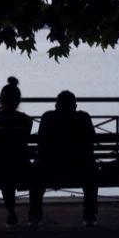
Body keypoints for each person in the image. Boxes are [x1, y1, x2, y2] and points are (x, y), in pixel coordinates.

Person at [29, 90, 98, 227]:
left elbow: (40, 145)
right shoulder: (83, 117)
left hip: (49, 168)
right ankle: (89, 215)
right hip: (80, 168)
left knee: (36, 173)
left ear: (56, 106)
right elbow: (91, 142)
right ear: (75, 106)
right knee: (91, 171)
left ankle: (35, 216)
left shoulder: (48, 117)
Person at [0, 76, 34, 226]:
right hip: (23, 166)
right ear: (18, 101)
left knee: (4, 169)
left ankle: (10, 213)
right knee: (10, 167)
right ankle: (23, 215)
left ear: (0, 100)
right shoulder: (26, 120)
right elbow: (27, 132)